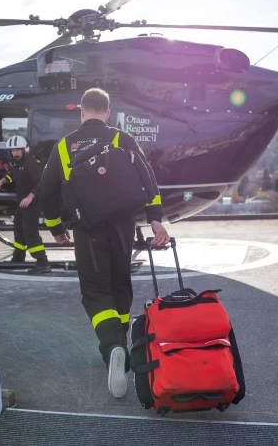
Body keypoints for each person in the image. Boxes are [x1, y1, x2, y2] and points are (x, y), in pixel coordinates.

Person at [39, 88, 170, 398]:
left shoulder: (64, 145)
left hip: (87, 230)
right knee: (120, 284)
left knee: (96, 291)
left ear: (82, 112)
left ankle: (112, 346)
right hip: (123, 227)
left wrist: (56, 227)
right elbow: (147, 177)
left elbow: (48, 192)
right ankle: (120, 343)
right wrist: (155, 217)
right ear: (108, 113)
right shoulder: (122, 139)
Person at [0, 135, 51, 275]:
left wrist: (30, 197)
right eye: (13, 151)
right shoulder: (18, 164)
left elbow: (41, 182)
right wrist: (3, 180)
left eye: (18, 150)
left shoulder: (31, 163)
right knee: (18, 229)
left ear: (24, 149)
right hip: (22, 204)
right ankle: (18, 258)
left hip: (32, 203)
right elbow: (13, 174)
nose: (15, 153)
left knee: (30, 232)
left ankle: (43, 263)